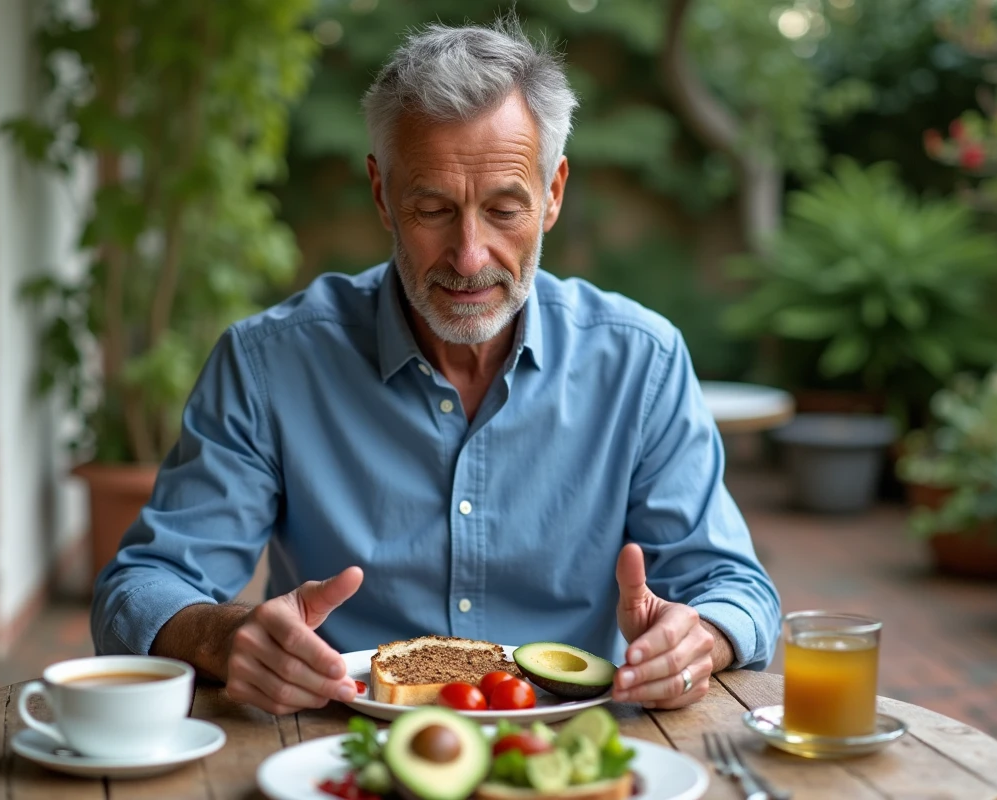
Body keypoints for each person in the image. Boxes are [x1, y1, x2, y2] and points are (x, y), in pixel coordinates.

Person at [91, 16, 780, 716]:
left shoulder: (642, 361)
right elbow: (143, 585)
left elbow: (734, 587)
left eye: (505, 208)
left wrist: (701, 637)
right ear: (383, 194)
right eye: (432, 208)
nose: (470, 255)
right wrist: (225, 636)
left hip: (571, 757)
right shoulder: (268, 364)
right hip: (334, 748)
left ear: (554, 194)